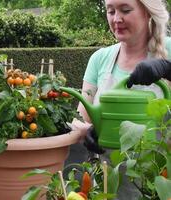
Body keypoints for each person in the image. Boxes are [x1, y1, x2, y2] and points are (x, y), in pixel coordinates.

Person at [65, 0, 171, 199]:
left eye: (125, 10)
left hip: (162, 183)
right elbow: (79, 117)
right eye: (110, 11)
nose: (116, 19)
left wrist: (168, 69)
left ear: (147, 12)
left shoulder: (168, 48)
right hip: (109, 184)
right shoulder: (100, 59)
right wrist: (87, 131)